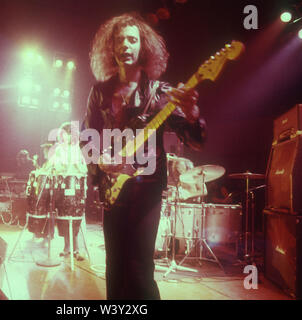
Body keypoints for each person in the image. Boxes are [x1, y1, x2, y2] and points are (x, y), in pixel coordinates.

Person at [82, 13, 206, 299]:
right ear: (111, 48)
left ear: (143, 47)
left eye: (132, 39)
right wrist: (102, 161)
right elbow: (87, 136)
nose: (125, 45)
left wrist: (192, 113)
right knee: (114, 267)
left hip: (147, 190)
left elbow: (195, 140)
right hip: (113, 189)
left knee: (139, 268)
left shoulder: (161, 94)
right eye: (119, 40)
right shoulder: (99, 92)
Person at [50, 122, 88, 261]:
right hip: (64, 188)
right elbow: (56, 167)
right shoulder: (59, 150)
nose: (62, 136)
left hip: (77, 189)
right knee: (64, 217)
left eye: (64, 134)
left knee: (77, 218)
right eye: (61, 134)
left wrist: (77, 166)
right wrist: (59, 167)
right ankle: (66, 247)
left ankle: (79, 249)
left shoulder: (78, 149)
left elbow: (85, 170)